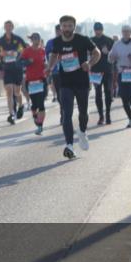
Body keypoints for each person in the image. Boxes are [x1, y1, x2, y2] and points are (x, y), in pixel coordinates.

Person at [45, 15, 100, 159]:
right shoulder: (56, 42)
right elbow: (54, 55)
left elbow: (97, 53)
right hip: (65, 83)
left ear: (74, 27)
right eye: (64, 26)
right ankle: (69, 145)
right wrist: (50, 67)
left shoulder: (82, 40)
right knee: (66, 114)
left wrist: (89, 63)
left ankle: (82, 132)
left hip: (81, 81)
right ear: (60, 27)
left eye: (70, 26)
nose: (67, 29)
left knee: (83, 113)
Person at [108, 25, 131, 128]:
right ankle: (130, 119)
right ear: (122, 32)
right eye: (124, 31)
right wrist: (112, 57)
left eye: (127, 31)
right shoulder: (117, 44)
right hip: (122, 73)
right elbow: (110, 57)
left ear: (130, 32)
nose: (125, 33)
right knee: (124, 98)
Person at [0, 21, 28, 124]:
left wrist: (17, 53)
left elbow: (25, 50)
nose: (8, 28)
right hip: (7, 68)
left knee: (17, 92)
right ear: (4, 28)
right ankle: (11, 114)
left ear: (12, 27)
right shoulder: (0, 41)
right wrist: (1, 67)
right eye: (6, 26)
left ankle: (20, 106)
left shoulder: (18, 39)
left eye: (10, 26)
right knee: (9, 91)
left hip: (17, 68)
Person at [21, 33, 48, 135]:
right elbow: (19, 62)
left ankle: (40, 126)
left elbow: (45, 62)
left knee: (41, 104)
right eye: (35, 39)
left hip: (41, 80)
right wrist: (28, 61)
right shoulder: (27, 51)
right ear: (32, 40)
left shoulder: (42, 51)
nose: (37, 41)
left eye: (38, 39)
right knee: (34, 105)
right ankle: (35, 116)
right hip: (31, 81)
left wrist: (46, 66)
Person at [89, 22, 115, 126]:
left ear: (102, 30)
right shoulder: (91, 41)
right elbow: (86, 54)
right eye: (96, 30)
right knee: (98, 94)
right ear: (94, 30)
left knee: (108, 92)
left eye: (99, 29)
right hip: (95, 71)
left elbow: (114, 56)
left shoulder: (109, 40)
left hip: (107, 70)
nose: (98, 31)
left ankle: (108, 114)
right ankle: (101, 116)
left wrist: (108, 52)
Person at [45, 24, 62, 104]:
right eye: (58, 30)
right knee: (59, 93)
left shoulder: (69, 41)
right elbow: (48, 57)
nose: (59, 32)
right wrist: (49, 67)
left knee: (67, 92)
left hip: (68, 71)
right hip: (56, 71)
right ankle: (63, 112)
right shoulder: (50, 43)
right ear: (55, 31)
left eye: (60, 30)